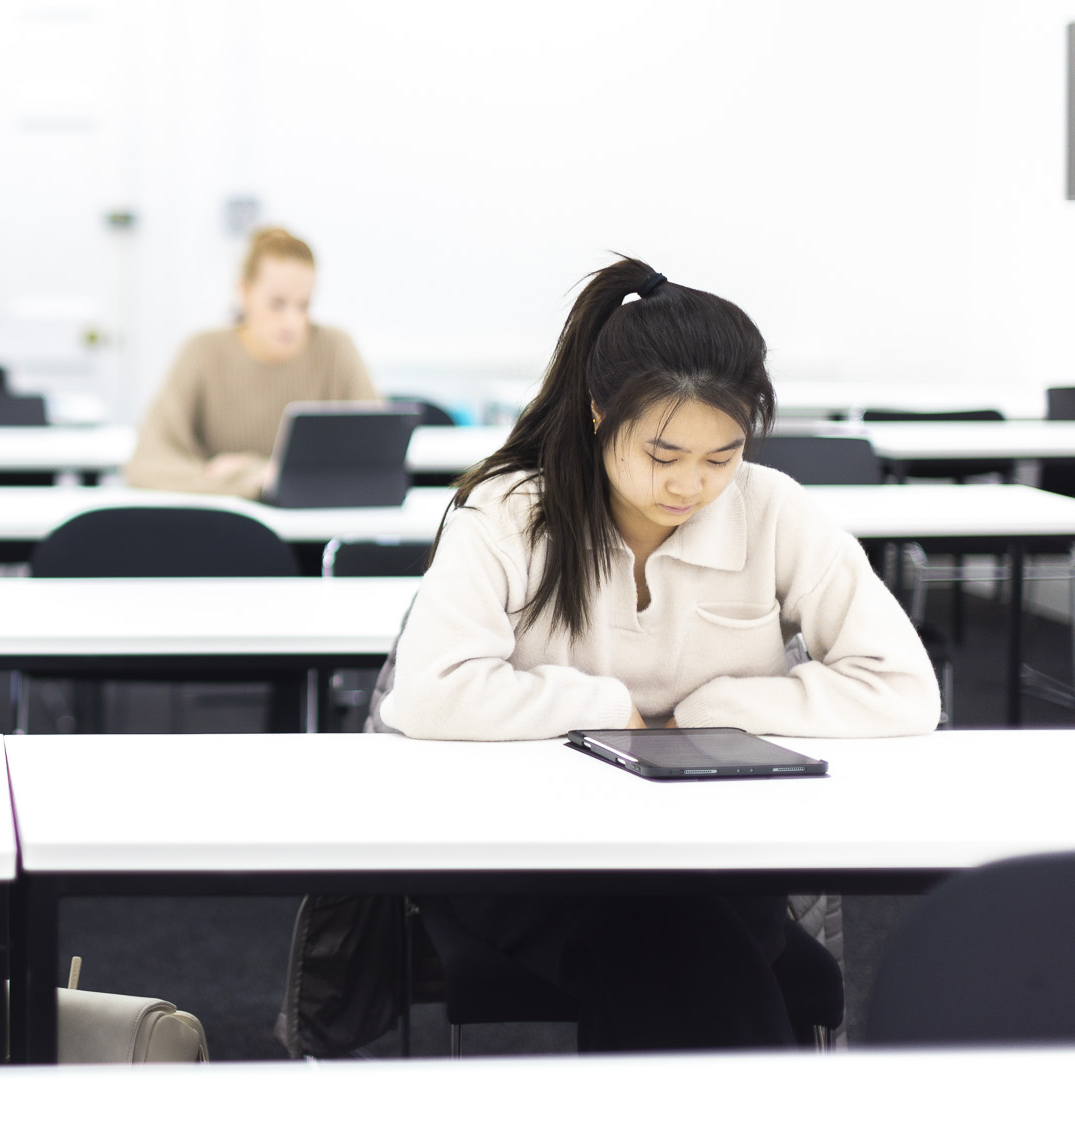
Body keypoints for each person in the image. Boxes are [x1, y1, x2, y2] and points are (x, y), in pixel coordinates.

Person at [374, 256, 939, 1053]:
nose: (691, 486)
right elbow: (430, 694)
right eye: (663, 455)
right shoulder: (507, 513)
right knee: (665, 932)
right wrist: (611, 712)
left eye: (721, 457)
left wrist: (710, 713)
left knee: (665, 933)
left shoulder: (772, 508)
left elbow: (903, 688)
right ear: (601, 411)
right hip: (527, 849)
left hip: (710, 842)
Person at [124, 226, 377, 497]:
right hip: (225, 528)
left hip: (318, 526)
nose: (292, 321)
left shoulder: (336, 349)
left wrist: (257, 471)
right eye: (277, 304)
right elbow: (147, 464)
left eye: (303, 306)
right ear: (243, 292)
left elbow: (378, 458)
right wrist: (255, 478)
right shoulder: (201, 352)